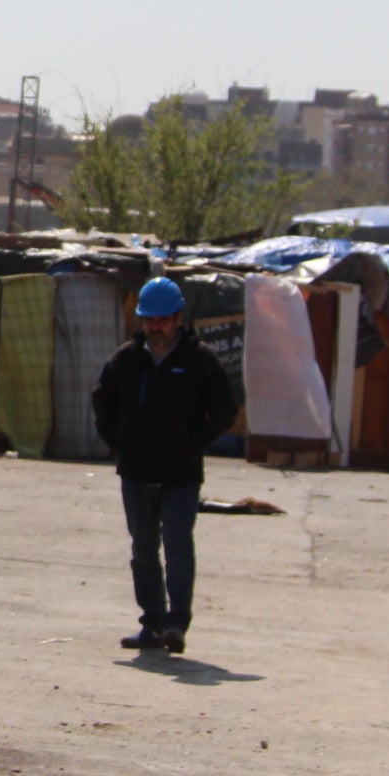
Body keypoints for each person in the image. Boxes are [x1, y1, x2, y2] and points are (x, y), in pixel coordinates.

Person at [91, 277, 236, 654]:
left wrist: (195, 442)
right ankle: (152, 623)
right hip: (136, 472)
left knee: (177, 545)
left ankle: (177, 623)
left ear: (177, 318)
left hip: (181, 474)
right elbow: (102, 402)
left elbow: (225, 409)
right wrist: (119, 442)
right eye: (149, 320)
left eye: (162, 319)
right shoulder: (126, 360)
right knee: (143, 549)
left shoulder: (199, 360)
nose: (155, 327)